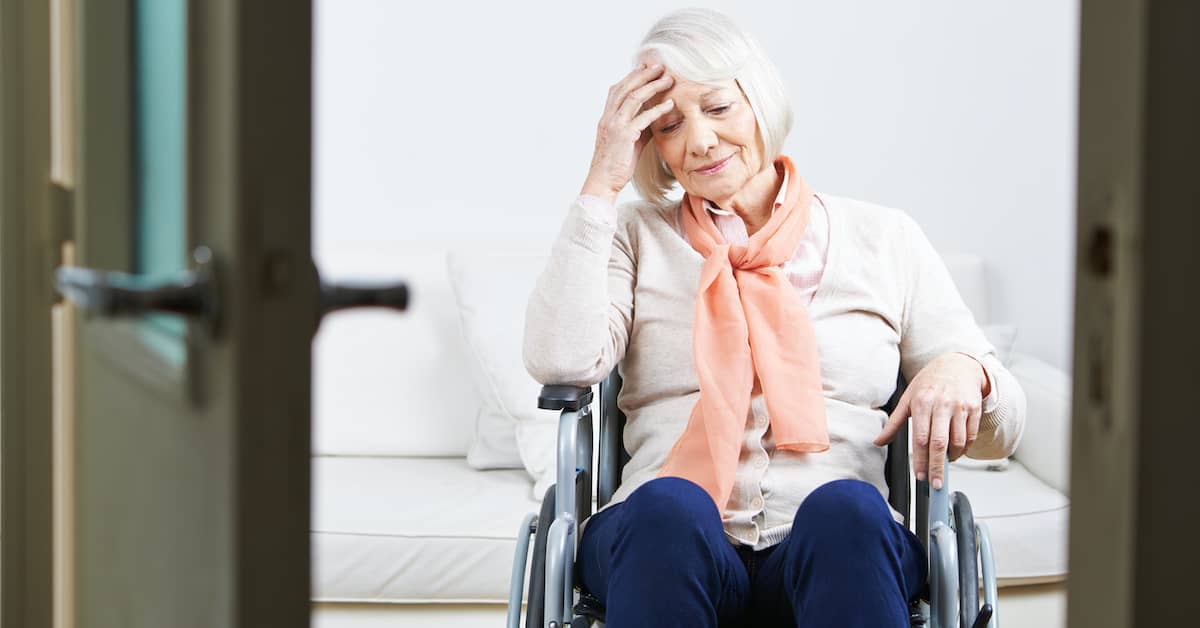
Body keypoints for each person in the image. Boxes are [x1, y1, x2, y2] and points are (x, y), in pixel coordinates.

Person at [523, 8, 1025, 627]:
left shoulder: (883, 237)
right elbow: (558, 360)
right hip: (668, 545)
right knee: (668, 509)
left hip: (834, 549)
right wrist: (601, 182)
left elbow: (1005, 428)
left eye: (719, 108)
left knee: (847, 509)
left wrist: (963, 370)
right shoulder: (634, 236)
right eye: (670, 125)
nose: (700, 141)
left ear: (758, 99)